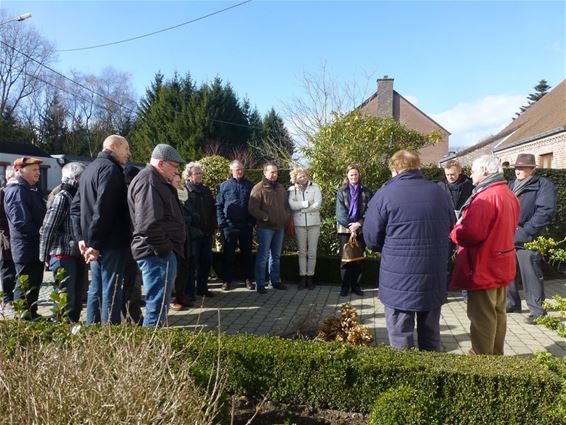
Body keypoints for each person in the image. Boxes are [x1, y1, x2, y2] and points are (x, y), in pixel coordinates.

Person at [363, 150, 454, 351]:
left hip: (398, 279)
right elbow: (451, 226)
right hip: (433, 275)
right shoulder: (438, 191)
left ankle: (405, 379)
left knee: (400, 339)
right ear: (417, 166)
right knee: (431, 337)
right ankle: (433, 379)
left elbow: (370, 237)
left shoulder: (385, 193)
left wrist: (389, 249)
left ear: (394, 169)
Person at [450, 155, 520, 355]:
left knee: (482, 317)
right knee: (498, 313)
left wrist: (455, 230)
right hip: (502, 261)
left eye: (473, 170)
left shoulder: (485, 197)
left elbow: (471, 234)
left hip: (484, 265)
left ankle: (483, 362)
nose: (471, 175)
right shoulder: (508, 193)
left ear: (485, 172)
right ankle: (496, 356)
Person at [71, 134, 131, 324]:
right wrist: (94, 244)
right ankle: (108, 336)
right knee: (111, 290)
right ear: (114, 146)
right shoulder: (111, 170)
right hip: (109, 243)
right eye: (126, 148)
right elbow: (103, 209)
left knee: (96, 288)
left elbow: (76, 208)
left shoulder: (89, 169)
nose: (129, 153)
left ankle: (92, 330)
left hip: (93, 243)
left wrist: (82, 239)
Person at [128, 144, 185, 326]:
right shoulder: (149, 181)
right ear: (161, 163)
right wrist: (165, 249)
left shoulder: (155, 180)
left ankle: (153, 346)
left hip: (158, 253)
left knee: (159, 305)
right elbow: (148, 224)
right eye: (174, 166)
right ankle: (151, 348)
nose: (177, 171)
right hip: (156, 254)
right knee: (157, 306)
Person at [506, 153, 556, 321]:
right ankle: (511, 303)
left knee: (531, 273)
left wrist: (525, 231)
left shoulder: (543, 185)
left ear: (532, 169)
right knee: (508, 272)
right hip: (508, 236)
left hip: (529, 238)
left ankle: (537, 311)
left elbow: (546, 211)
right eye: (516, 167)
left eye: (521, 167)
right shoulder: (511, 185)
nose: (517, 170)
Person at [39, 162, 86, 322]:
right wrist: (44, 255)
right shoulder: (62, 198)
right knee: (65, 298)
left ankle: (72, 327)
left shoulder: (76, 196)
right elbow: (48, 227)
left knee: (77, 297)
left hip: (76, 255)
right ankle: (61, 330)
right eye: (82, 178)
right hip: (62, 255)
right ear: (74, 178)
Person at [3, 157, 46, 320]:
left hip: (33, 247)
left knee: (34, 284)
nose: (38, 173)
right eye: (34, 170)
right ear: (20, 170)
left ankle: (31, 314)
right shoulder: (17, 190)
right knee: (25, 286)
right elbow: (21, 223)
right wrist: (42, 235)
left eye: (38, 170)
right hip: (26, 248)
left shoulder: (30, 189)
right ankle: (23, 320)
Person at [248, 162, 290, 294]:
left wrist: (285, 216)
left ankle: (275, 281)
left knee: (276, 256)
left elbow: (286, 205)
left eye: (276, 172)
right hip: (265, 228)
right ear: (265, 173)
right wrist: (265, 217)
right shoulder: (258, 188)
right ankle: (260, 283)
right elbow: (252, 208)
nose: (274, 175)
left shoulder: (281, 188)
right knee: (263, 256)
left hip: (279, 227)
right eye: (272, 172)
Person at [216, 160, 256, 291]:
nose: (240, 171)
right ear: (231, 170)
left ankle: (249, 280)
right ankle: (226, 281)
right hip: (230, 226)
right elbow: (219, 205)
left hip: (245, 225)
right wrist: (222, 222)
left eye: (241, 169)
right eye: (237, 169)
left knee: (247, 255)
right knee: (228, 255)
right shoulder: (224, 186)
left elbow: (255, 205)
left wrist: (252, 221)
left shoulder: (250, 185)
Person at [438, 159, 474, 301]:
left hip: (463, 226)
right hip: (445, 227)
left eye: (452, 174)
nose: (450, 177)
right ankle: (443, 292)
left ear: (459, 171)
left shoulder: (470, 185)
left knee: (464, 260)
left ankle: (466, 293)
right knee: (443, 261)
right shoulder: (440, 186)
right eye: (447, 174)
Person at [335, 164, 372, 297]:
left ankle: (356, 286)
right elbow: (340, 213)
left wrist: (359, 224)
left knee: (358, 259)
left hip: (361, 229)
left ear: (359, 175)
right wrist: (351, 227)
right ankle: (344, 287)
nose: (354, 177)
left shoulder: (367, 191)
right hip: (345, 230)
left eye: (356, 174)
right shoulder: (342, 191)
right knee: (345, 260)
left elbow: (370, 209)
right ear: (347, 176)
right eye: (351, 175)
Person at [184, 162, 217, 298]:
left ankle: (202, 288)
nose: (200, 175)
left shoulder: (206, 190)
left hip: (207, 232)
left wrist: (213, 226)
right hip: (194, 234)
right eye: (197, 173)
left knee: (206, 261)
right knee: (192, 263)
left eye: (200, 173)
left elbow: (212, 209)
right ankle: (190, 292)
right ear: (189, 176)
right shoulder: (186, 191)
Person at [288, 167, 322, 290]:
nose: (302, 178)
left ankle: (310, 277)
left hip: (314, 223)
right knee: (302, 252)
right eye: (300, 176)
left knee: (312, 252)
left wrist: (302, 209)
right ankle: (303, 277)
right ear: (295, 178)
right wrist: (305, 204)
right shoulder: (292, 189)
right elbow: (292, 205)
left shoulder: (315, 187)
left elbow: (318, 204)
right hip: (299, 223)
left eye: (304, 175)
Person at [170, 171, 194, 311]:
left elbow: (193, 212)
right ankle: (173, 298)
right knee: (176, 270)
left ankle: (181, 295)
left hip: (187, 237)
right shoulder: (171, 196)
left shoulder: (185, 194)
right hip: (175, 240)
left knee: (185, 267)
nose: (179, 184)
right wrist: (188, 219)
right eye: (176, 182)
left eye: (180, 181)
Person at [122, 165, 143, 324]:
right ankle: (133, 317)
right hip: (131, 245)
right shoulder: (132, 193)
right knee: (133, 284)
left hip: (123, 244)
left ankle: (128, 316)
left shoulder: (119, 191)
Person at [0, 166, 17, 310]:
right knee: (7, 268)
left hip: (13, 235)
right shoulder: (3, 193)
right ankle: (7, 299)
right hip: (5, 237)